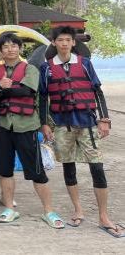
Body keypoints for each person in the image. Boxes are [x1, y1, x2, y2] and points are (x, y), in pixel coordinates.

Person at [39, 26, 123, 237]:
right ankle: (78, 210)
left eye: (68, 40)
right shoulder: (46, 68)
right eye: (60, 40)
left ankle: (104, 216)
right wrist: (44, 123)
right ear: (54, 43)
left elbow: (97, 92)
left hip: (87, 122)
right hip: (62, 124)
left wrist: (104, 119)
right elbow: (42, 97)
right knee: (69, 168)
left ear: (73, 42)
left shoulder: (85, 64)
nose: (64, 43)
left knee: (97, 167)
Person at [0, 32, 64, 228]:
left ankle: (49, 211)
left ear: (20, 48)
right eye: (5, 46)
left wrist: (3, 89)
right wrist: (0, 87)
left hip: (26, 126)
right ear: (0, 50)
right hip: (2, 125)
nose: (10, 49)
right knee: (5, 170)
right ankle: (9, 208)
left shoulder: (30, 69)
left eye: (14, 45)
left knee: (36, 171)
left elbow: (26, 91)